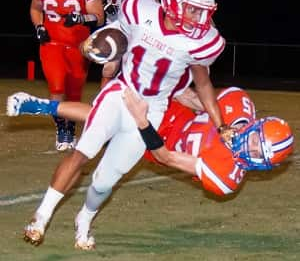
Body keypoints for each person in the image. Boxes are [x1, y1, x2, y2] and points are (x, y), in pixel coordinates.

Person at [11, 0, 230, 250]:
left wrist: (221, 124)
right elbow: (116, 32)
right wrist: (100, 43)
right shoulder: (139, 8)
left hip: (152, 110)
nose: (200, 20)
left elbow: (203, 84)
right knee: (83, 152)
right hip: (121, 92)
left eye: (203, 13)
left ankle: (84, 219)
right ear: (173, 1)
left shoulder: (204, 41)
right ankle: (40, 217)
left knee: (103, 182)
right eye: (193, 11)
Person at [7, 86, 294, 200]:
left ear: (263, 166)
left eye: (259, 154)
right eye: (256, 141)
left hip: (159, 144)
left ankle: (41, 107)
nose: (250, 149)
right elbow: (198, 100)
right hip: (177, 114)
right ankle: (41, 106)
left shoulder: (226, 177)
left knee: (112, 124)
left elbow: (167, 157)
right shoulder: (237, 104)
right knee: (107, 111)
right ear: (255, 126)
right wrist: (173, 86)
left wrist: (144, 124)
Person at [29, 0, 105, 151]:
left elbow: (98, 18)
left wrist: (81, 18)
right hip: (52, 43)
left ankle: (69, 126)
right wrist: (40, 27)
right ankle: (62, 128)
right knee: (57, 87)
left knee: (73, 93)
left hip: (79, 46)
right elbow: (36, 9)